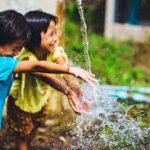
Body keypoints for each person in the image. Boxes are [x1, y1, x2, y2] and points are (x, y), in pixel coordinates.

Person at [6, 10, 94, 150]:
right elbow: (45, 74)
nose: (55, 38)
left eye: (55, 33)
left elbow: (64, 69)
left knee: (33, 130)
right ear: (34, 38)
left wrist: (76, 90)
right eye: (51, 34)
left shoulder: (53, 51)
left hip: (41, 100)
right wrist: (67, 91)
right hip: (21, 103)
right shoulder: (26, 57)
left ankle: (27, 145)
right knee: (22, 135)